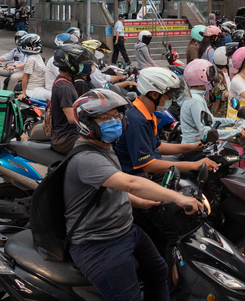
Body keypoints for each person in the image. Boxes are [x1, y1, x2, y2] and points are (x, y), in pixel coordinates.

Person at [66, 89, 203, 301]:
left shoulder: (105, 147)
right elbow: (130, 183)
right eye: (104, 118)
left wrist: (140, 202)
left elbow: (110, 190)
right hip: (98, 243)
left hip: (124, 230)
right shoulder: (87, 158)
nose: (114, 121)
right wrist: (177, 197)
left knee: (158, 271)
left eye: (115, 116)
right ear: (86, 123)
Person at [115, 67, 218, 176]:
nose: (171, 100)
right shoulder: (136, 120)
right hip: (143, 178)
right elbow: (147, 165)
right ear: (155, 95)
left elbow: (158, 146)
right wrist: (194, 164)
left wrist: (193, 147)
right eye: (168, 96)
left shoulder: (146, 114)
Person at [181, 60, 244, 160]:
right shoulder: (196, 101)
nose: (211, 77)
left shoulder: (195, 97)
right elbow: (206, 132)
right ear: (200, 77)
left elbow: (212, 121)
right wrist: (236, 131)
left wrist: (234, 122)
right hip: (194, 151)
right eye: (208, 73)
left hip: (198, 147)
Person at [50, 43, 93, 154]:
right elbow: (71, 118)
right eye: (79, 62)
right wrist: (94, 118)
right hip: (65, 139)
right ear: (70, 63)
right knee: (96, 148)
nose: (81, 64)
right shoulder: (64, 87)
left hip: (69, 134)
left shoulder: (66, 81)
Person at [18, 34, 50, 101]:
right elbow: (25, 76)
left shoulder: (38, 56)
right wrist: (24, 93)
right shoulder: (31, 59)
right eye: (38, 44)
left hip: (42, 87)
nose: (40, 45)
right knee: (53, 96)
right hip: (33, 89)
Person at [209, 46, 234, 118]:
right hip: (221, 113)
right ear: (223, 60)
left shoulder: (226, 72)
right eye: (230, 58)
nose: (231, 59)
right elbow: (221, 93)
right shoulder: (218, 76)